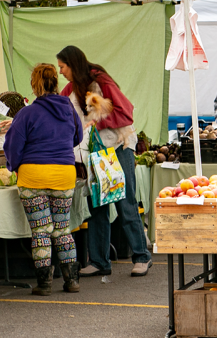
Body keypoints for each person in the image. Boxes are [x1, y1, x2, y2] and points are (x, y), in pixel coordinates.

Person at [56, 46, 152, 278]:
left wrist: (96, 119)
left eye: (63, 67)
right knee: (97, 205)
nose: (60, 72)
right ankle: (99, 261)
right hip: (94, 152)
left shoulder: (101, 80)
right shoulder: (71, 88)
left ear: (73, 64)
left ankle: (141, 256)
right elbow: (59, 108)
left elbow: (126, 112)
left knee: (125, 201)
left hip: (118, 147)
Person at [5, 64, 84, 295]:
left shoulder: (27, 113)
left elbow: (13, 145)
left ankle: (44, 284)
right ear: (55, 83)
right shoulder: (68, 108)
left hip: (33, 177)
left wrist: (13, 165)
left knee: (41, 230)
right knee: (62, 228)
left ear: (35, 84)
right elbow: (77, 136)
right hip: (64, 175)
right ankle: (72, 282)